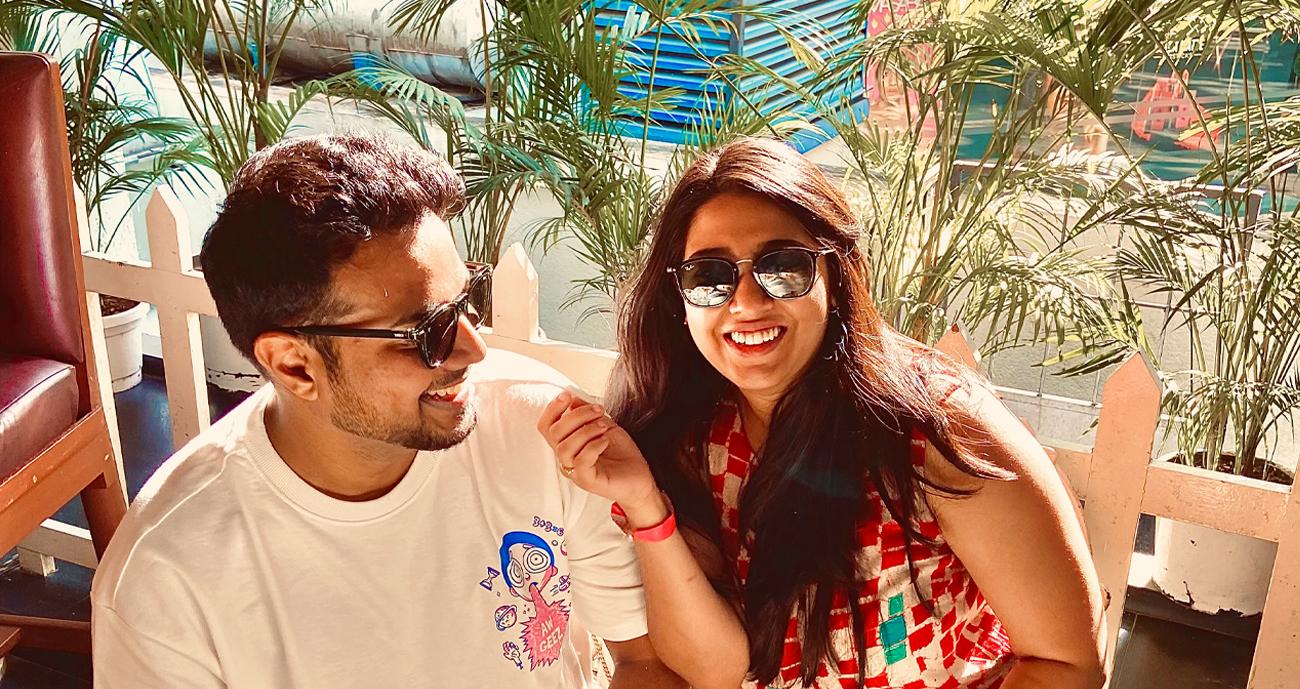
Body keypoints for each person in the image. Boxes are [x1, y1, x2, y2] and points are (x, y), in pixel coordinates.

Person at [91, 134, 685, 689]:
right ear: (295, 365)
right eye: (426, 331)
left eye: (465, 303)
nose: (474, 350)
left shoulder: (544, 430)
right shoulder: (168, 575)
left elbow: (642, 659)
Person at [540, 137, 1108, 689]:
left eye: (782, 266)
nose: (745, 301)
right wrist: (647, 508)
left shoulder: (936, 428)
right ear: (678, 298)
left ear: (836, 275)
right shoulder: (691, 434)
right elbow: (713, 672)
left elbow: (1066, 663)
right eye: (710, 276)